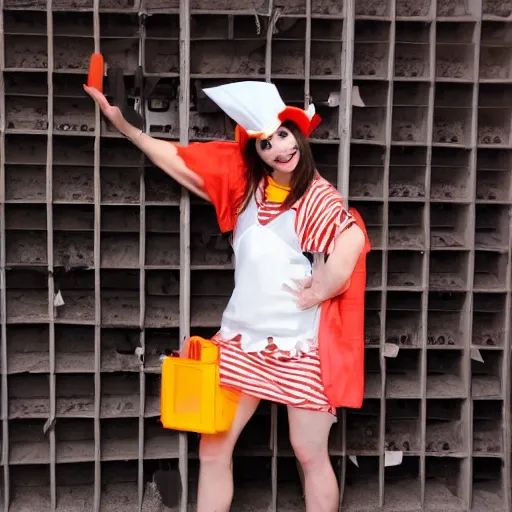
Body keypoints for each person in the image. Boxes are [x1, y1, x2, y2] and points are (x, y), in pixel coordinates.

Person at [84, 80, 369, 512]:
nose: (278, 148)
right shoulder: (245, 193)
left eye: (283, 135)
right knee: (212, 451)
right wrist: (126, 127)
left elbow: (349, 238)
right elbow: (181, 163)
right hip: (240, 342)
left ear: (298, 135)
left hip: (300, 347)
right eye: (265, 143)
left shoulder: (314, 195)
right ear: (255, 153)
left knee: (309, 453)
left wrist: (324, 287)